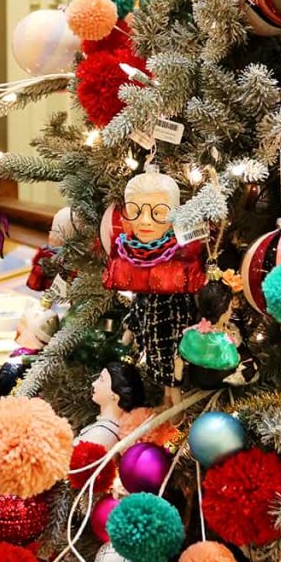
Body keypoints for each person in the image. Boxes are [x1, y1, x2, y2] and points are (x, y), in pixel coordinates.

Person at [104, 168, 206, 405]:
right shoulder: (126, 253)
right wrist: (130, 329)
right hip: (148, 328)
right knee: (156, 355)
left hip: (176, 323)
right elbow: (138, 303)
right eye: (135, 211)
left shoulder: (183, 256)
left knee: (174, 357)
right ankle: (166, 396)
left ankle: (174, 398)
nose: (146, 221)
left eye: (158, 213)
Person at [0, 299, 59, 397]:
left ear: (34, 332)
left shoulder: (15, 363)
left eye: (23, 323)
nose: (18, 327)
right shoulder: (51, 359)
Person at [77, 361, 146, 448]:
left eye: (101, 380)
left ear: (115, 394)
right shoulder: (109, 430)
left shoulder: (101, 434)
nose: (94, 384)